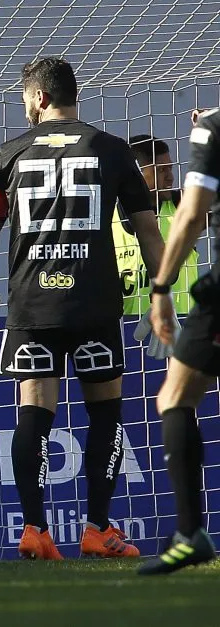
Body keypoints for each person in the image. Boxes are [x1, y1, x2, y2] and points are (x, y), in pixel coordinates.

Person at [0, 57, 167, 560]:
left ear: (39, 97)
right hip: (93, 303)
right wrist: (162, 295)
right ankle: (98, 530)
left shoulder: (11, 152)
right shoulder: (111, 149)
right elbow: (147, 228)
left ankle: (35, 529)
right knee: (105, 415)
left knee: (33, 414)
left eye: (24, 98)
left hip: (33, 305)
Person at [137, 108, 220, 575]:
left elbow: (192, 214)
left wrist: (162, 287)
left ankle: (191, 534)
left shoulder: (213, 128)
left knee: (175, 396)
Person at [113, 135, 202, 319]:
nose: (171, 177)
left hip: (180, 326)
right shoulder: (107, 218)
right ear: (136, 173)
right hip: (129, 334)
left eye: (170, 168)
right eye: (162, 170)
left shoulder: (181, 207)